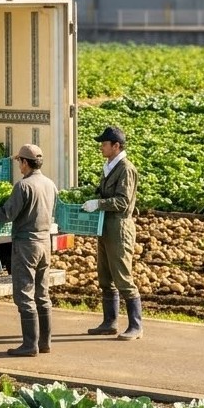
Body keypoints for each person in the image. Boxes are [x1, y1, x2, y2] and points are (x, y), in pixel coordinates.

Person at [0, 143, 58, 357]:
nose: (18, 164)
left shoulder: (23, 186)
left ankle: (29, 346)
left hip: (26, 245)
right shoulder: (49, 183)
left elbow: (6, 214)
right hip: (45, 243)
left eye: (19, 161)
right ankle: (44, 343)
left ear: (26, 162)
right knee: (42, 294)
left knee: (24, 295)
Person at [81, 125, 143, 340]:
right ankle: (109, 322)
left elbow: (123, 201)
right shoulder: (109, 166)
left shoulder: (125, 168)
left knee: (123, 277)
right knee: (105, 277)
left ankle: (136, 326)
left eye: (104, 144)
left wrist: (98, 203)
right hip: (105, 226)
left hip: (119, 227)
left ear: (116, 146)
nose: (101, 147)